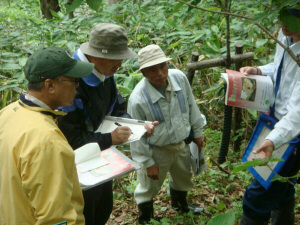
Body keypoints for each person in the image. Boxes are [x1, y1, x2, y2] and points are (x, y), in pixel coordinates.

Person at [58, 23, 156, 225]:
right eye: (115, 59)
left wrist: (137, 127)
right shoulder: (71, 83)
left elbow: (116, 107)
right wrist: (109, 138)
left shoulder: (104, 73)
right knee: (84, 213)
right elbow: (70, 138)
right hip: (75, 163)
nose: (119, 64)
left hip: (100, 156)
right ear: (94, 57)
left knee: (103, 206)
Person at [0, 47, 94, 225]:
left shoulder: (8, 113)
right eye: (74, 81)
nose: (77, 86)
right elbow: (55, 217)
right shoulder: (47, 140)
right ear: (50, 85)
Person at [127, 44, 207, 224]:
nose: (160, 73)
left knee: (182, 177)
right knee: (148, 185)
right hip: (157, 149)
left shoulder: (179, 78)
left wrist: (198, 132)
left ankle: (180, 205)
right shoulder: (138, 99)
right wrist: (148, 162)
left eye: (162, 66)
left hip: (181, 143)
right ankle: (146, 217)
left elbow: (191, 105)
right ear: (143, 73)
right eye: (152, 70)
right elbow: (136, 136)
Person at [239, 8, 300, 225]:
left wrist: (272, 141)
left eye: (291, 19)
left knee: (257, 195)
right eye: (281, 16)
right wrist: (259, 70)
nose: (283, 23)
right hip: (274, 122)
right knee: (282, 187)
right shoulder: (285, 35)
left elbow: (297, 115)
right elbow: (280, 69)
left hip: (290, 133)